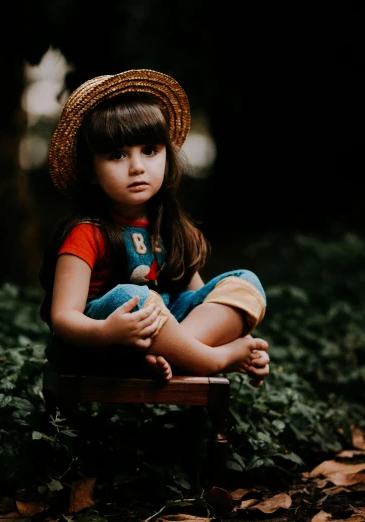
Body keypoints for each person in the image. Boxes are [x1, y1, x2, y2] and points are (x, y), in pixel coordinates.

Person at [38, 69, 269, 386]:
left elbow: (202, 301)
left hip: (155, 338)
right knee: (136, 298)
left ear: (167, 157)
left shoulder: (171, 228)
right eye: (117, 155)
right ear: (91, 171)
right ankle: (211, 359)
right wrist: (108, 330)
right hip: (100, 344)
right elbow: (63, 318)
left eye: (149, 151)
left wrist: (232, 322)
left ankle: (171, 355)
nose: (137, 167)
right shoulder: (86, 233)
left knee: (244, 283)